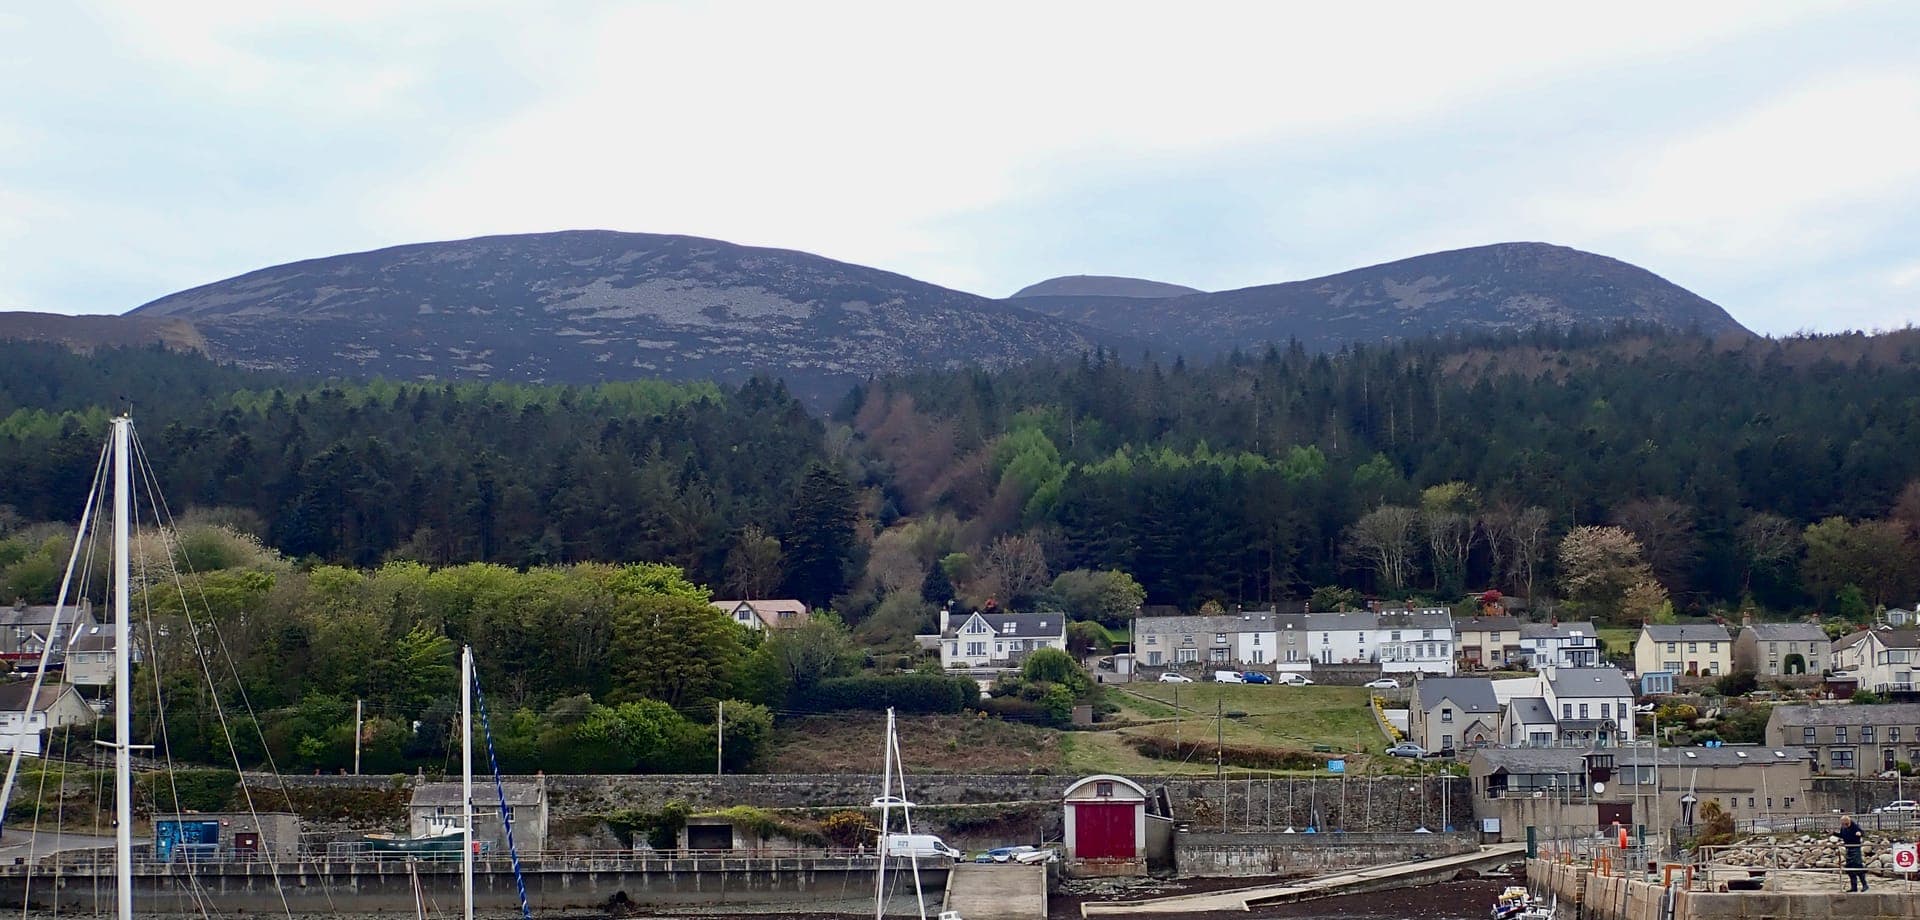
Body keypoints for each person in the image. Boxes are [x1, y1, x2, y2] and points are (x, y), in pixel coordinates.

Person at [1835, 815, 1868, 892]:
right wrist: (1834, 833)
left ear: (1848, 822)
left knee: (1858, 866)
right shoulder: (1843, 828)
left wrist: (1859, 833)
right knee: (1849, 868)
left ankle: (1865, 885)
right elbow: (1842, 836)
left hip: (1855, 848)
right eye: (1842, 824)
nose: (1843, 826)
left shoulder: (1855, 826)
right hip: (1848, 848)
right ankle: (1854, 887)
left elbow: (1863, 833)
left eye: (1844, 824)